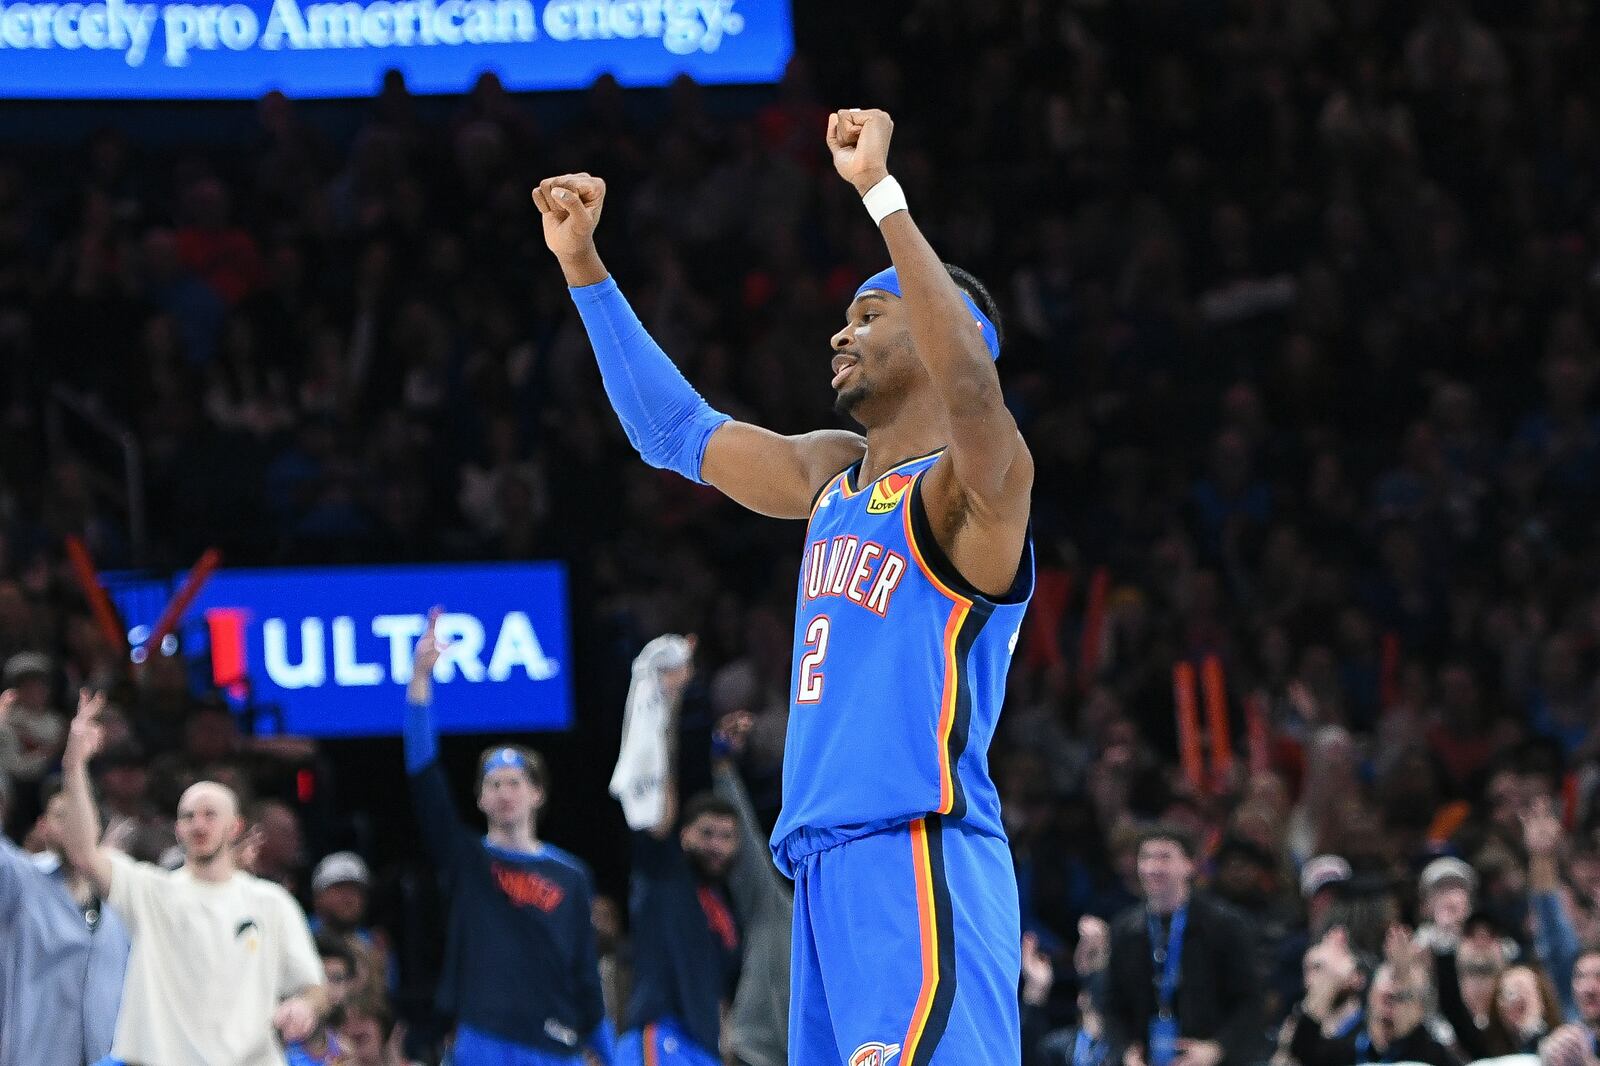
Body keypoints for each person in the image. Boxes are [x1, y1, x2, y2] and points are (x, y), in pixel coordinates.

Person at [537, 102, 1033, 1065]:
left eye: (869, 314)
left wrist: (880, 195)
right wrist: (584, 268)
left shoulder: (976, 494)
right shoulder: (830, 479)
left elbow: (973, 389)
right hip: (817, 870)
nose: (839, 335)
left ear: (943, 333)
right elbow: (672, 433)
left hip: (917, 857)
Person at [59, 688, 327, 1066]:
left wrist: (304, 1006)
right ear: (177, 829)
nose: (198, 824)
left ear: (235, 827)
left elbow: (314, 987)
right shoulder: (153, 891)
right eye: (188, 816)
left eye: (209, 814)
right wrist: (73, 766)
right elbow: (84, 853)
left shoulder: (271, 902)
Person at [404, 607, 612, 1065]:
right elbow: (424, 775)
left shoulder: (571, 875)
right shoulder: (467, 860)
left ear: (538, 794)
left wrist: (611, 1055)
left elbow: (585, 974)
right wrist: (420, 680)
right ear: (479, 799)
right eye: (492, 784)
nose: (504, 793)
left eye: (515, 782)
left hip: (555, 1046)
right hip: (482, 1038)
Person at [610, 636, 743, 1066]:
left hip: (701, 1047)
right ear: (683, 835)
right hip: (660, 1038)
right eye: (707, 834)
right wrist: (668, 702)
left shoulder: (725, 904)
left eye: (727, 836)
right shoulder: (664, 870)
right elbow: (655, 804)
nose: (717, 846)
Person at [0, 692, 131, 1066]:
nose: (71, 824)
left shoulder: (126, 896)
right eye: (60, 815)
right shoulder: (20, 881)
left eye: (78, 815)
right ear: (42, 826)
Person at [1103, 825, 1262, 1066]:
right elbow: (1111, 1005)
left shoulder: (1224, 925)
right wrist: (1125, 1052)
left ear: (1190, 865)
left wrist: (1217, 1049)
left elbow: (1250, 1001)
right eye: (1146, 857)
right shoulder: (1125, 929)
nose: (1153, 867)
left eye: (1165, 857)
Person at [713, 710, 792, 1066]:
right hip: (753, 1055)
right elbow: (746, 846)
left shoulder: (859, 927)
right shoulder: (774, 907)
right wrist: (723, 766)